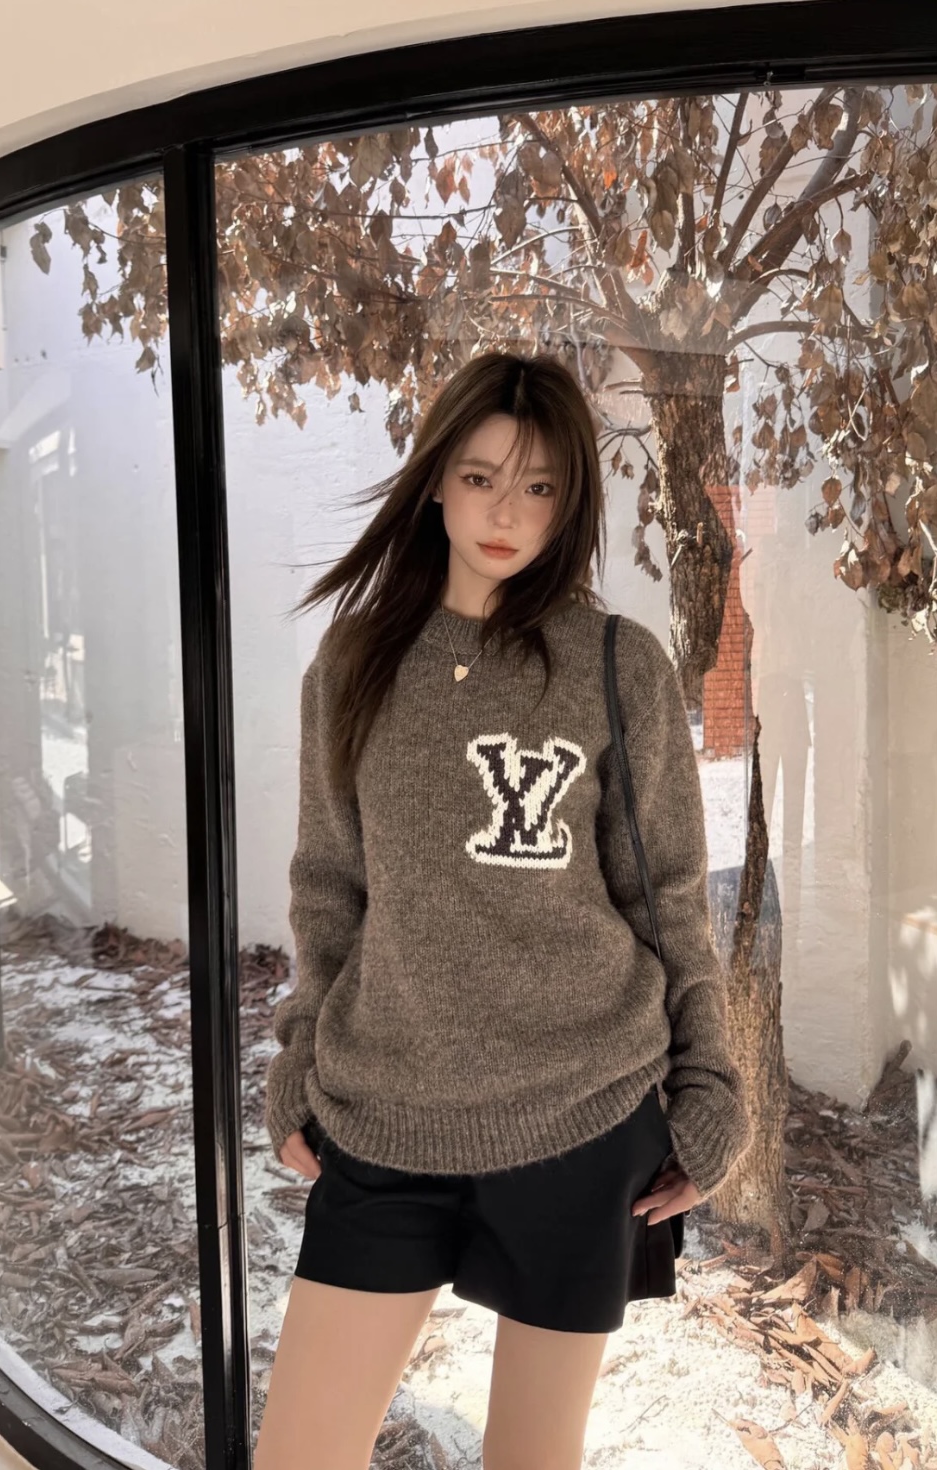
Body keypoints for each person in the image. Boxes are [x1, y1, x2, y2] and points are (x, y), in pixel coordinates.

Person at [254, 350, 753, 1470]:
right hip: (383, 1113)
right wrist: (298, 1056)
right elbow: (330, 884)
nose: (505, 513)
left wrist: (711, 1085)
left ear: (570, 502)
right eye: (480, 478)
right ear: (435, 480)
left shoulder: (616, 666)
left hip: (581, 1112)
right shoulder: (355, 662)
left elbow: (668, 897)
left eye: (538, 486)